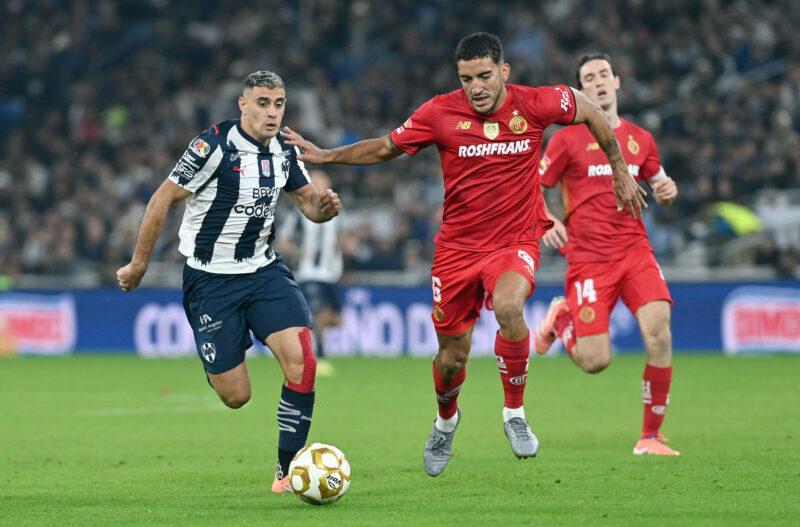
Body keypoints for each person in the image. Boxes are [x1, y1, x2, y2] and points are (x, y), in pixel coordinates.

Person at [282, 33, 647, 476]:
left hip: (514, 241)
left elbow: (588, 109)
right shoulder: (440, 112)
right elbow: (384, 147)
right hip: (456, 251)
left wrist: (619, 170)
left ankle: (514, 413)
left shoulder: (536, 103)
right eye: (466, 78)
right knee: (452, 357)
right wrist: (327, 156)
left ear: (504, 72)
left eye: (484, 76)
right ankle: (445, 421)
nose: (476, 87)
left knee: (510, 307)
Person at [116, 70, 342, 492]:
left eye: (279, 104)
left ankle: (287, 471)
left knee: (303, 363)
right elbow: (162, 198)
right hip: (211, 280)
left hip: (264, 272)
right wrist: (138, 265)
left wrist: (325, 209)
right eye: (263, 103)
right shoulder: (213, 145)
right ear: (243, 104)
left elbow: (309, 204)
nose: (272, 112)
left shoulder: (285, 149)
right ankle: (219, 355)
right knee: (235, 396)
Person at [534, 53, 680, 456]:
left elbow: (662, 186)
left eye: (603, 75)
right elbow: (533, 188)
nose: (598, 82)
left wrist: (668, 193)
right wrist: (547, 218)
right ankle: (562, 319)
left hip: (635, 251)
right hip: (589, 260)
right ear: (582, 90)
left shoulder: (641, 139)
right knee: (595, 361)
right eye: (589, 78)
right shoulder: (566, 139)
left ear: (616, 82)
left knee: (659, 331)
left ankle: (650, 437)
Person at [277, 169, 343, 377]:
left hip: (331, 273)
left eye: (324, 182)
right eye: (317, 182)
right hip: (309, 272)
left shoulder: (336, 210)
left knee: (337, 319)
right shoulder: (298, 212)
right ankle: (319, 356)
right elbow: (283, 239)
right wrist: (297, 252)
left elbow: (338, 239)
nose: (321, 186)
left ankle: (295, 338)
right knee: (320, 313)